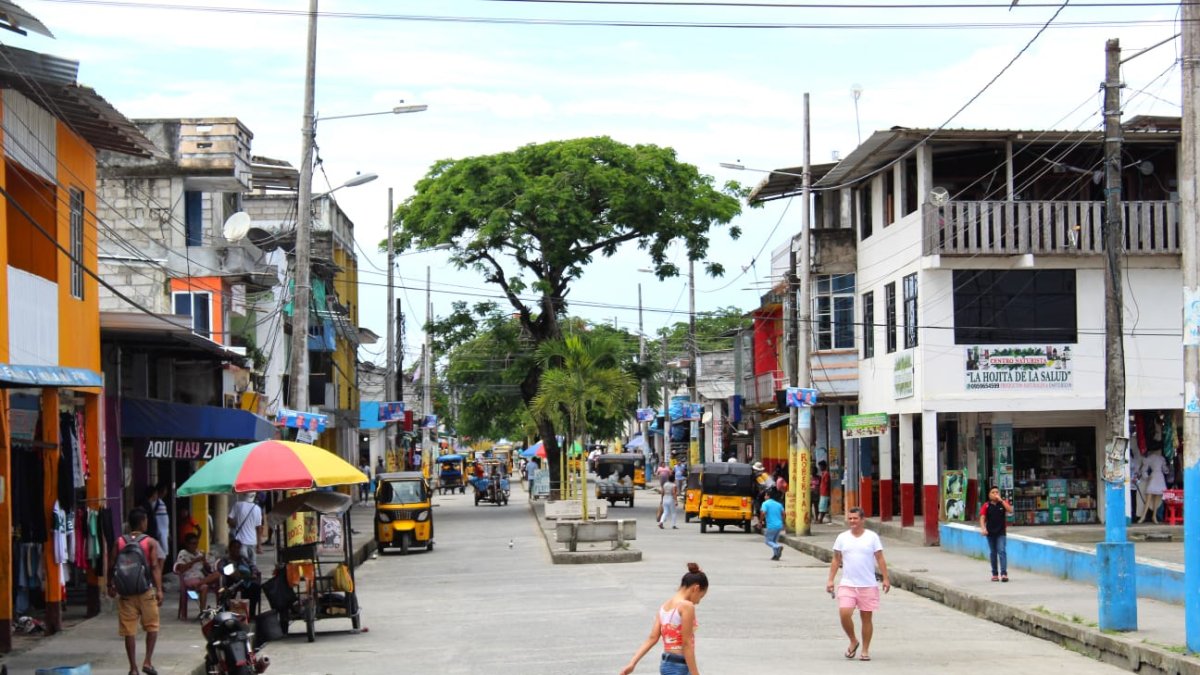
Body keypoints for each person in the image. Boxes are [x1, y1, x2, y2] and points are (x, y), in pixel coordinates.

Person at [825, 507, 890, 662]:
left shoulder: (872, 537)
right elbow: (836, 559)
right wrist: (830, 580)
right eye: (850, 518)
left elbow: (880, 558)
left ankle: (865, 650)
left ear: (862, 520)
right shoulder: (842, 538)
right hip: (848, 584)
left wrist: (886, 578)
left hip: (868, 584)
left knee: (866, 618)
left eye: (855, 518)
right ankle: (853, 640)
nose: (852, 521)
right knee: (844, 613)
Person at [620, 562, 708, 675]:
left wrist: (632, 663)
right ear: (696, 588)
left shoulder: (664, 607)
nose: (698, 602)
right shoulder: (687, 606)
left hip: (666, 664)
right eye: (701, 596)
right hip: (680, 666)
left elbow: (652, 638)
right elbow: (686, 643)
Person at [108, 507, 163, 675]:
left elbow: (111, 565)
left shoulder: (119, 542)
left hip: (125, 593)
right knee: (152, 627)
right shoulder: (150, 542)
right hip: (145, 591)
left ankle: (133, 668)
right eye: (146, 520)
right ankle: (147, 661)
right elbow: (154, 567)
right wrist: (159, 590)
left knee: (129, 631)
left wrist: (110, 585)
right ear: (142, 522)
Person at [174, 532, 220, 610]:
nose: (195, 546)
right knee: (204, 586)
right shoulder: (183, 553)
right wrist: (194, 561)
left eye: (196, 543)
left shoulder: (199, 553)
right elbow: (181, 568)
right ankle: (203, 610)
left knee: (218, 574)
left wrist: (205, 561)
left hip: (201, 578)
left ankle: (199, 585)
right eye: (193, 544)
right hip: (190, 578)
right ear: (187, 544)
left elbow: (209, 570)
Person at [218, 539, 262, 619]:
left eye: (238, 548)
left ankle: (250, 613)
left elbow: (253, 566)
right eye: (234, 547)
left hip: (244, 580)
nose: (236, 550)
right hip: (230, 581)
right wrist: (230, 572)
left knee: (255, 587)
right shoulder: (225, 559)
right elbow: (220, 568)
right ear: (230, 548)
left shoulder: (243, 558)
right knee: (228, 590)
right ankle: (228, 612)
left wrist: (253, 573)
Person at [979, 486, 1013, 582]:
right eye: (993, 492)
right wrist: (983, 528)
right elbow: (982, 517)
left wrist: (1001, 500)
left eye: (997, 492)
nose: (995, 494)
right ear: (989, 495)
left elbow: (1010, 510)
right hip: (990, 533)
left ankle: (1004, 574)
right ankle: (994, 574)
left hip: (1001, 532)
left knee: (1002, 551)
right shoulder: (986, 505)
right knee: (993, 553)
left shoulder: (1002, 504)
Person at [227, 492, 264, 566]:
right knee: (253, 566)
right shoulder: (257, 509)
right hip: (253, 542)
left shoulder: (237, 505)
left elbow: (229, 520)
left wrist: (237, 525)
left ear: (244, 494)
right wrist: (259, 545)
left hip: (241, 542)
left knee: (243, 566)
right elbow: (259, 528)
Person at [1139, 449, 1170, 523]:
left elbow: (1144, 470)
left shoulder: (1159, 458)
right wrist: (1147, 476)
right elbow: (1144, 470)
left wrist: (1147, 476)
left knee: (1155, 498)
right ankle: (1144, 516)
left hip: (1158, 477)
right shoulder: (1154, 458)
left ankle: (1153, 516)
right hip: (1156, 476)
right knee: (1149, 497)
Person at [760, 488, 785, 561]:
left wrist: (760, 521)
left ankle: (778, 547)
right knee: (774, 541)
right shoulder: (779, 504)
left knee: (768, 541)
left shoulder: (765, 503)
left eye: (765, 495)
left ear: (768, 496)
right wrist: (783, 522)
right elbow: (783, 514)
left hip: (771, 526)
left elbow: (763, 512)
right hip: (779, 525)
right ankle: (776, 555)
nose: (764, 497)